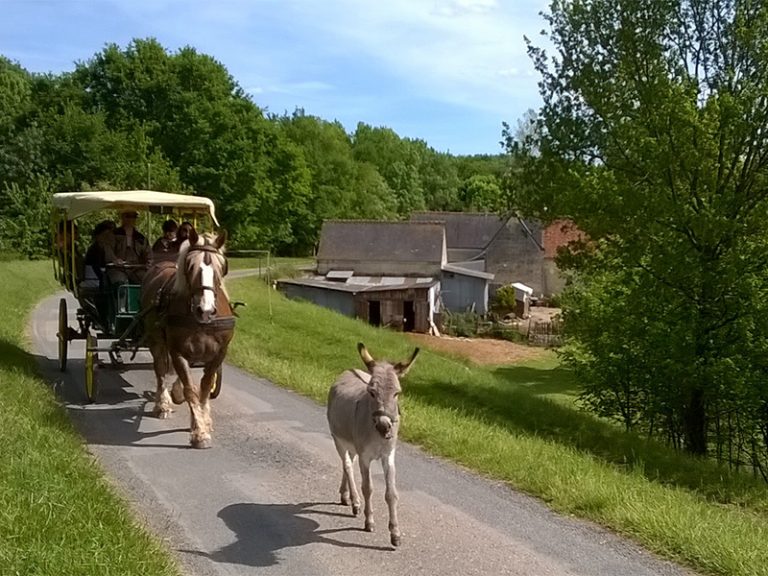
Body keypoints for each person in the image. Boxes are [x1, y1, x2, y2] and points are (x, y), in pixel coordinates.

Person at [105, 209, 151, 285]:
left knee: (146, 280)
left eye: (134, 217)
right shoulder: (113, 235)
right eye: (128, 216)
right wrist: (114, 260)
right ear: (122, 217)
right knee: (120, 282)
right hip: (117, 269)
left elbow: (148, 254)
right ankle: (121, 296)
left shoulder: (141, 238)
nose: (131, 219)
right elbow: (108, 250)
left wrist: (149, 263)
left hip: (136, 269)